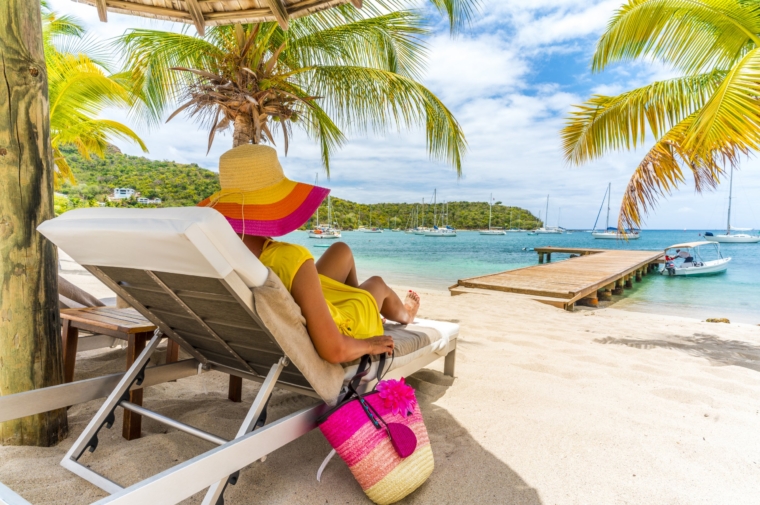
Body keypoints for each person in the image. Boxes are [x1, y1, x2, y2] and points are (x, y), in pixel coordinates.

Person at [198, 145, 420, 365]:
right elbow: (335, 350)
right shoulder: (292, 256)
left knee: (341, 250)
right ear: (273, 203)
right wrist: (370, 345)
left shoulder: (217, 249)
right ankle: (405, 315)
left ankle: (356, 296)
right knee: (377, 283)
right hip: (339, 329)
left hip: (296, 296)